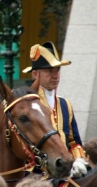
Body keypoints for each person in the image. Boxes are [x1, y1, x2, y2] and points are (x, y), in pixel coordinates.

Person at [22, 41, 87, 178]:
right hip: (35, 175)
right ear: (35, 74)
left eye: (57, 70)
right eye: (49, 71)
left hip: (65, 171)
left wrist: (78, 160)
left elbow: (74, 142)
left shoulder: (65, 104)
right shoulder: (25, 104)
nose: (55, 75)